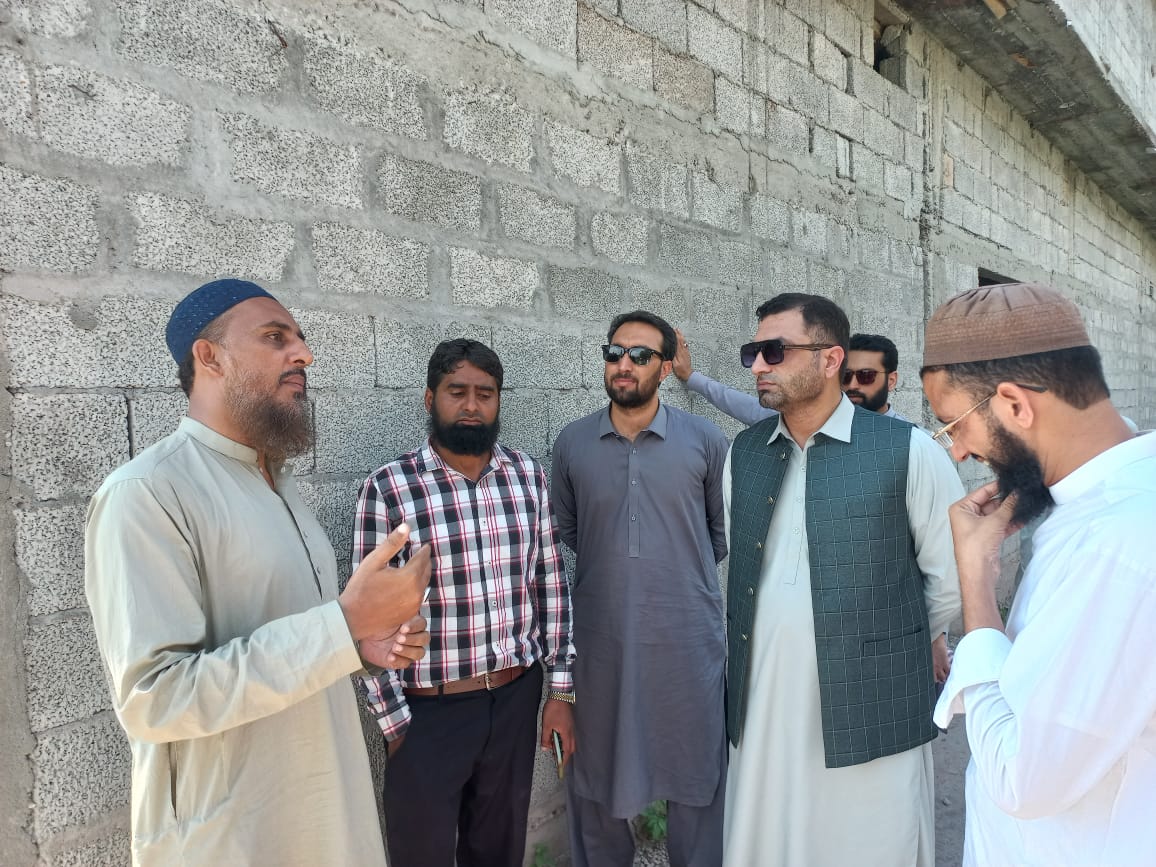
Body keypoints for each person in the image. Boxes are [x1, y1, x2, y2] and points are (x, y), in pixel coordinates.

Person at [84, 278, 432, 866]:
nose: (304, 354)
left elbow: (301, 642)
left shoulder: (279, 485)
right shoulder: (147, 493)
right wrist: (342, 624)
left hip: (328, 813)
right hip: (236, 836)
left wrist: (361, 646)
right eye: (275, 337)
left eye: (300, 338)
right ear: (209, 356)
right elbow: (155, 698)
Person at [722, 293, 963, 867]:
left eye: (774, 351)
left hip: (873, 695)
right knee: (768, 833)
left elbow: (951, 575)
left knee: (870, 838)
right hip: (765, 696)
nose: (758, 366)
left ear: (830, 359)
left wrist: (879, 643)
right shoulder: (744, 452)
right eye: (754, 352)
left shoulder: (909, 451)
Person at [920, 283, 1156, 865]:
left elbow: (1022, 779)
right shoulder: (1096, 498)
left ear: (1014, 405)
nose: (958, 452)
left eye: (953, 426)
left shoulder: (1119, 542)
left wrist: (976, 583)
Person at [353, 338, 576, 867]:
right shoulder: (390, 489)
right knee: (422, 854)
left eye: (485, 393)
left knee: (498, 851)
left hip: (515, 699)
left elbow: (550, 583)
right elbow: (365, 618)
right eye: (457, 392)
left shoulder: (527, 477)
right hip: (427, 712)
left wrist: (561, 690)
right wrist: (396, 725)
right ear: (430, 398)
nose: (472, 405)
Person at [551, 310, 729, 867]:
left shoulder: (705, 441)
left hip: (687, 639)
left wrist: (668, 571)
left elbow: (719, 534)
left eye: (640, 355)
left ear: (666, 366)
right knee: (595, 768)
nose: (623, 364)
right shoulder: (573, 442)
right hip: (600, 639)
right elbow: (571, 530)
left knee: (697, 770)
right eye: (614, 353)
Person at [673, 329, 908, 422]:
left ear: (891, 380)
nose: (853, 385)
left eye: (866, 376)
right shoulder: (811, 425)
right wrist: (691, 377)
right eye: (845, 376)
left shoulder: (914, 444)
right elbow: (744, 406)